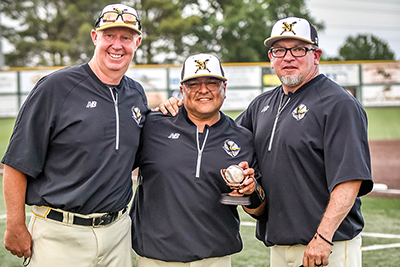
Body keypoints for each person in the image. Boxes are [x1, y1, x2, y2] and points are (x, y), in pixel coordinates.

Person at [158, 17, 373, 267]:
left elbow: (350, 180)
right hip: (279, 246)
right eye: (279, 50)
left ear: (316, 55)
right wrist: (178, 107)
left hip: (326, 246)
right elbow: (221, 137)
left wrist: (323, 238)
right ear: (271, 57)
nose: (288, 57)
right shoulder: (262, 105)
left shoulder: (338, 104)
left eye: (299, 49)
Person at [2, 4, 149, 267]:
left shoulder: (136, 94)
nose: (117, 45)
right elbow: (17, 162)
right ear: (95, 37)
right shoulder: (56, 87)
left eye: (126, 37)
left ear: (136, 42)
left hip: (117, 233)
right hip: (60, 233)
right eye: (109, 36)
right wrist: (15, 224)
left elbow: (136, 155)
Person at [130, 53, 265, 267]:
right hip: (155, 257)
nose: (203, 90)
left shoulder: (243, 138)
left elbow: (258, 209)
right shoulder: (153, 126)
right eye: (194, 84)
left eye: (212, 83)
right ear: (182, 90)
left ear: (224, 88)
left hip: (215, 258)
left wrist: (251, 191)